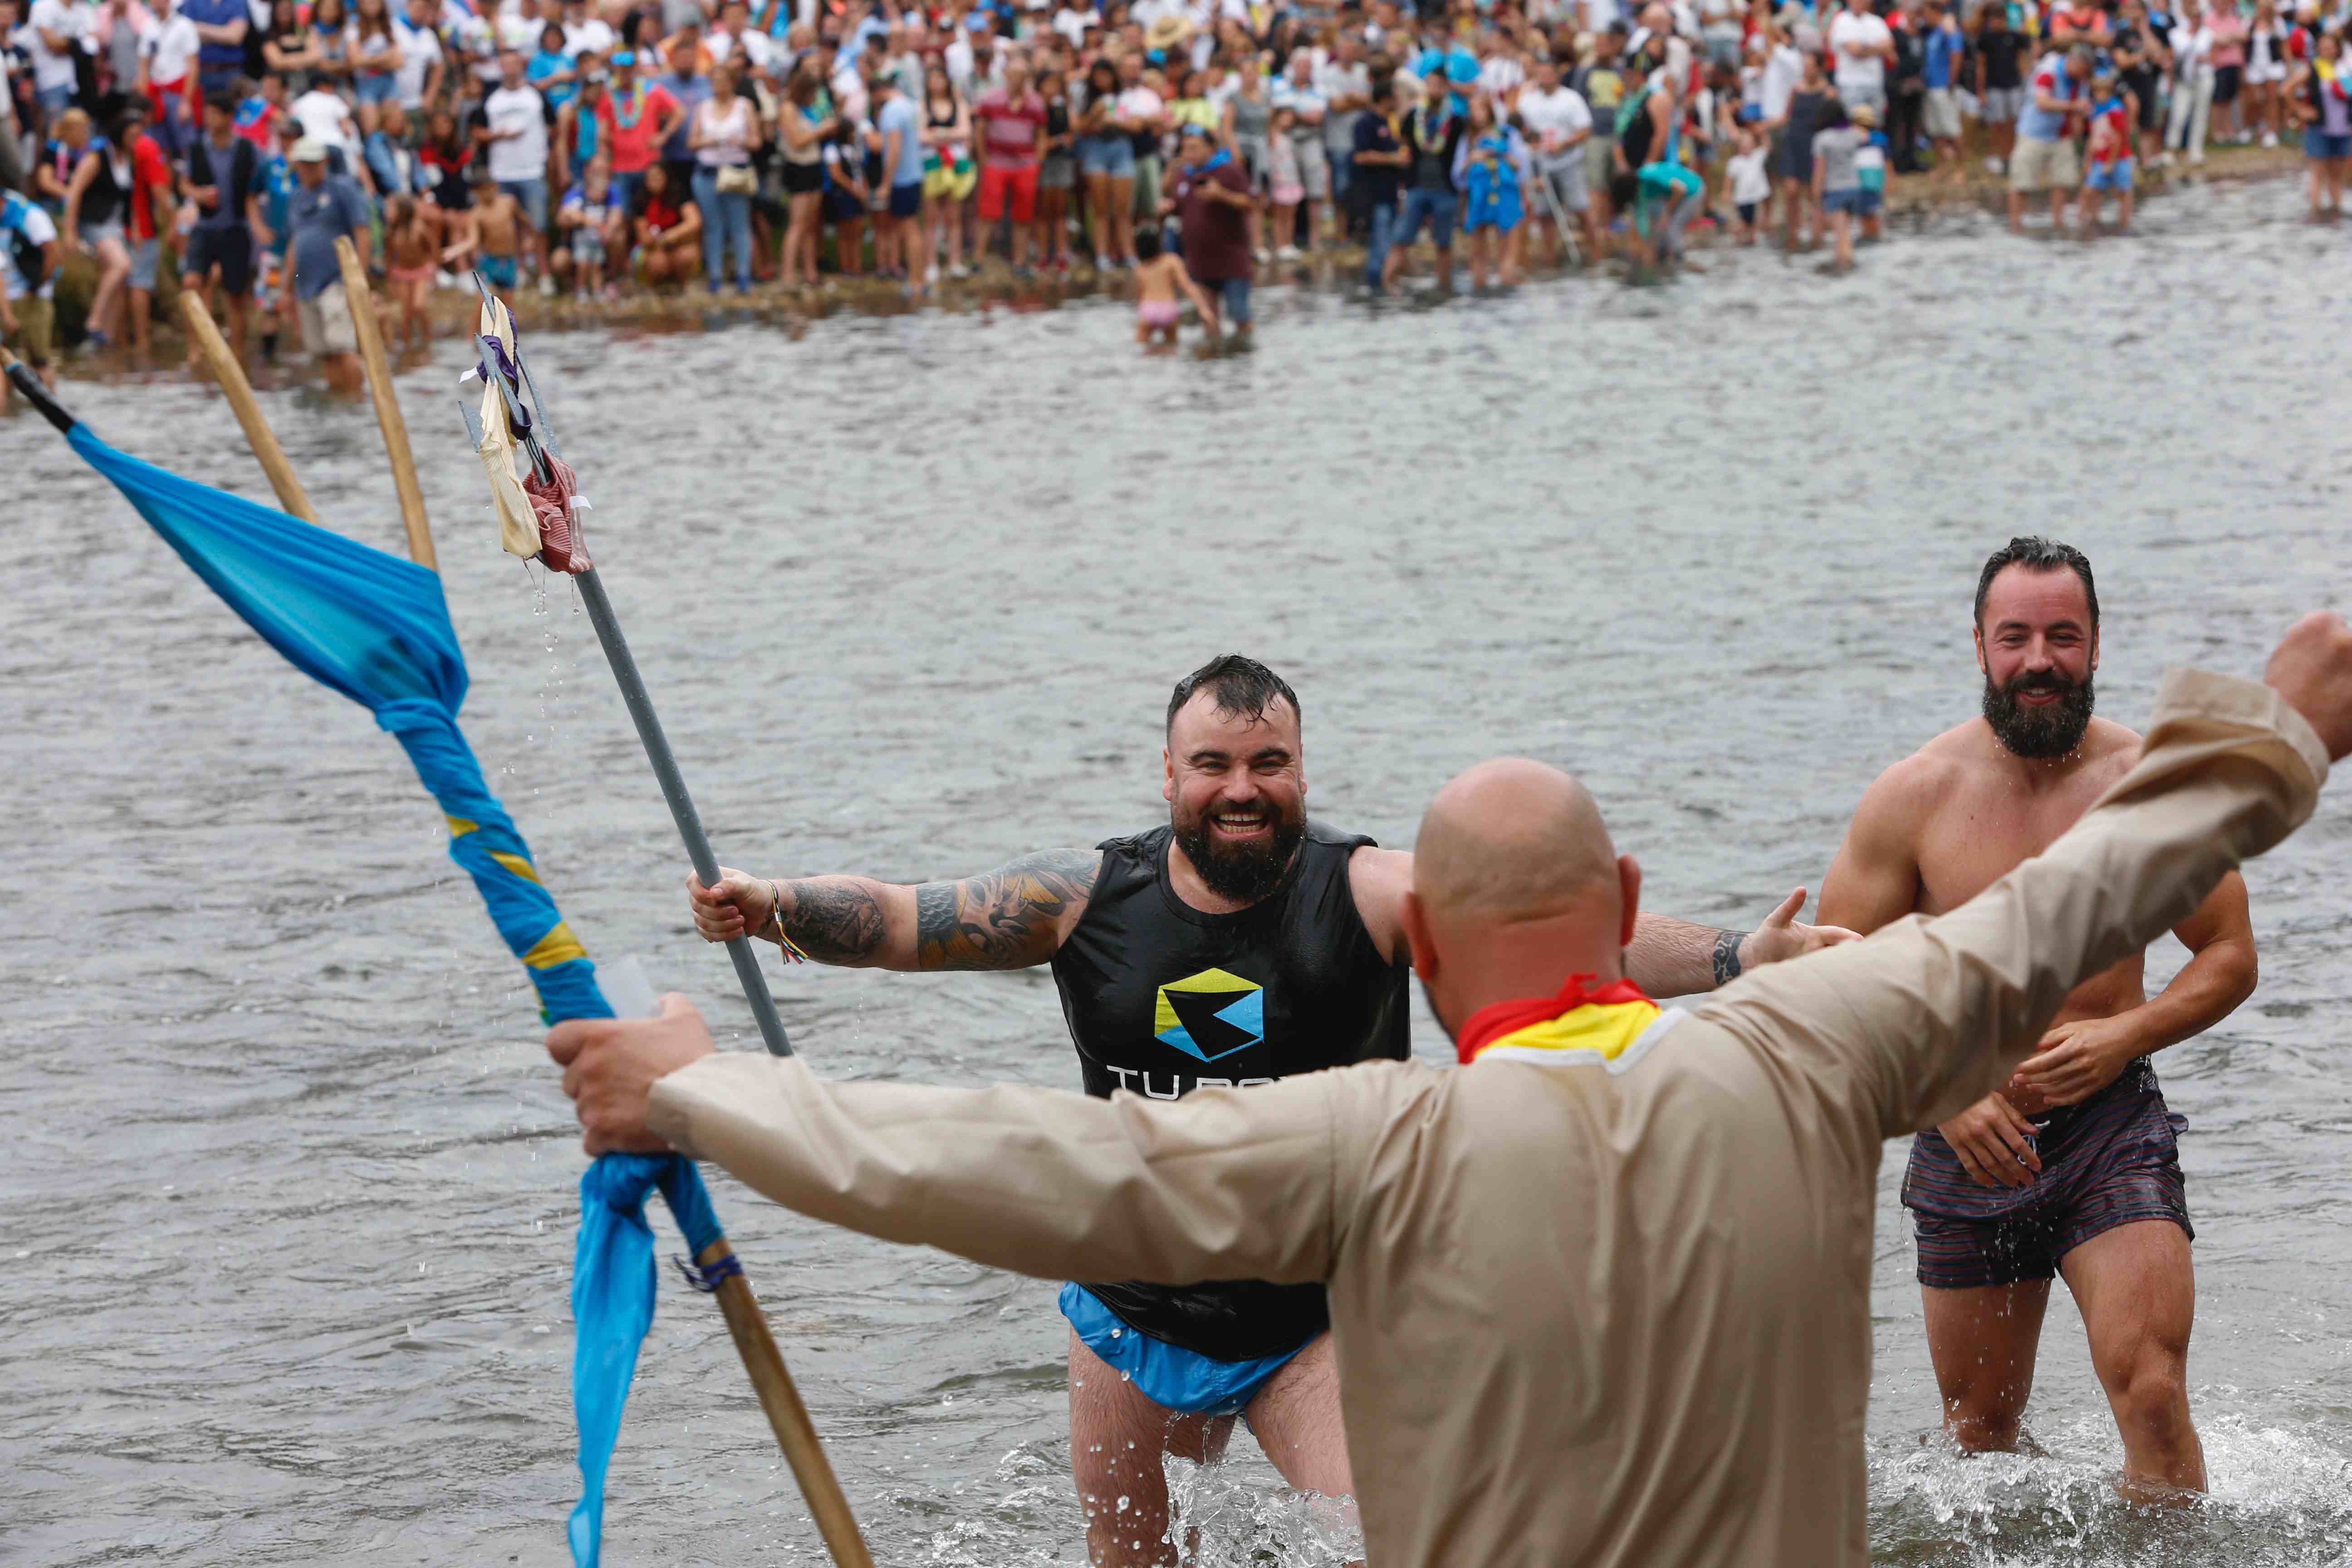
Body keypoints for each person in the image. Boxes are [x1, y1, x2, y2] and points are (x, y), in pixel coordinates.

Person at [567, 619, 2352, 1568]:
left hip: (1260, 1296)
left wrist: (701, 1092)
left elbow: (1012, 1162)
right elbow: (2064, 909)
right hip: (1152, 1333)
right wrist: (2267, 745)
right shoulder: (1822, 1056)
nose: (1244, 786)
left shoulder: (1362, 1146)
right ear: (1635, 909)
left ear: (1421, 960)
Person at [680, 653, 1849, 1568]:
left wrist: (1747, 952)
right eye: (1214, 764)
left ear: (1300, 769)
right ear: (1170, 773)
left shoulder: (1370, 891)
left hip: (1320, 1316)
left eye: (1268, 763)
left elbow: (1552, 929)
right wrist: (773, 901)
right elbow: (896, 918)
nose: (1242, 789)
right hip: (1134, 1316)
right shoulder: (1082, 901)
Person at [1819, 538, 2264, 1502]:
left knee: (2149, 1393)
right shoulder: (1915, 797)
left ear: (2096, 646)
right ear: (1979, 645)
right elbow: (1826, 981)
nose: (2038, 660)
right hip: (1965, 1145)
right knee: (1979, 1440)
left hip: (2110, 1130)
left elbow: (2230, 954)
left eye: (2063, 636)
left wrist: (2127, 1031)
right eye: (2014, 636)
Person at [180, 88, 260, 366]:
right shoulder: (197, 148)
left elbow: (256, 189)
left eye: (214, 114)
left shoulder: (248, 149)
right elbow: (184, 182)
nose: (208, 119)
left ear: (228, 118)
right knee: (191, 283)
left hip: (236, 227)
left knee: (235, 295)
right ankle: (195, 349)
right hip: (205, 225)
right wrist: (199, 195)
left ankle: (236, 354)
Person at [284, 134, 367, 392]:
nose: (308, 168)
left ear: (324, 162)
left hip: (336, 281)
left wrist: (358, 279)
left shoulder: (342, 189)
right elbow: (295, 242)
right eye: (304, 163)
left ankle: (356, 399)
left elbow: (362, 232)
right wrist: (286, 288)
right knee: (324, 352)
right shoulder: (297, 196)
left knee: (342, 346)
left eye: (313, 163)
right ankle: (340, 399)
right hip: (307, 286)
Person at [1164, 121, 1252, 337]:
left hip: (1232, 261)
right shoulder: (1183, 175)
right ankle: (1212, 362)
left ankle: (1244, 359)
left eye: (1194, 148)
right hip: (1199, 262)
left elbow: (1250, 204)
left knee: (1240, 318)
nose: (1188, 154)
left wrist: (1221, 194)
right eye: (1185, 149)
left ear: (1210, 148)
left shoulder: (1229, 170)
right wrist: (1167, 207)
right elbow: (1179, 208)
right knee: (1209, 320)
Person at [1517, 49, 1597, 262]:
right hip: (1541, 163)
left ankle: (1597, 254)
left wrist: (1564, 144)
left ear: (1556, 74)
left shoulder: (1571, 99)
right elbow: (1521, 128)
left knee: (1581, 207)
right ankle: (1549, 257)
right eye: (1540, 73)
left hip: (1569, 161)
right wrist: (1531, 139)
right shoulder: (1528, 100)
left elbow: (1585, 129)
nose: (1544, 78)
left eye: (1548, 73)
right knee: (1544, 214)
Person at [482, 49, 551, 290]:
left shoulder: (535, 95)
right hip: (502, 172)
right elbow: (476, 130)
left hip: (532, 170)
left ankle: (544, 274)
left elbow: (552, 127)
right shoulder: (491, 98)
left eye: (514, 64)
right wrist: (496, 135)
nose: (510, 69)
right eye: (505, 64)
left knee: (538, 225)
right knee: (510, 229)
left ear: (521, 66)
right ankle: (519, 271)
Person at [687, 57, 758, 291]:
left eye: (723, 80)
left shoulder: (744, 106)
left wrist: (742, 141)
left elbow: (757, 141)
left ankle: (743, 276)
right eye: (715, 80)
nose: (719, 84)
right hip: (708, 171)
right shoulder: (704, 108)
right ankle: (715, 277)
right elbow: (692, 141)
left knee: (739, 225)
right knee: (713, 226)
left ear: (732, 82)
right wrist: (708, 141)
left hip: (735, 170)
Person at [973, 50, 1044, 274]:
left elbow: (1042, 135)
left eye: (1022, 74)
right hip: (997, 161)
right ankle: (978, 260)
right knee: (988, 213)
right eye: (1014, 73)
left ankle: (1019, 262)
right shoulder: (991, 99)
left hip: (1025, 163)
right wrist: (984, 161)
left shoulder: (1035, 103)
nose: (1018, 78)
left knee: (1023, 216)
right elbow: (980, 131)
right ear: (1005, 74)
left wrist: (1036, 163)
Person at [2009, 42, 2091, 234]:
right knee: (2022, 182)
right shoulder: (2049, 71)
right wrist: (2074, 107)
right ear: (2074, 61)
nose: (2083, 73)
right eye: (2082, 68)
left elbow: (2080, 109)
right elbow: (2042, 102)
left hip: (2061, 134)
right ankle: (2015, 225)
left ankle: (2058, 224)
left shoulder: (2080, 80)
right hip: (2034, 132)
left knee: (2062, 182)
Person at [1390, 79, 1463, 289]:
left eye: (1438, 86)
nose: (1434, 90)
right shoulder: (1414, 117)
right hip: (1416, 187)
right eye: (1431, 85)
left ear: (1446, 89)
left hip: (1445, 189)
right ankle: (1387, 285)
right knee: (1401, 239)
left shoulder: (1456, 121)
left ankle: (1444, 287)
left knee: (1444, 243)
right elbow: (1403, 143)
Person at [596, 49, 682, 215]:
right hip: (619, 166)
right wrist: (603, 157)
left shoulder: (651, 90)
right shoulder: (608, 95)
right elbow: (602, 132)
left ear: (636, 68)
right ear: (615, 70)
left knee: (649, 210)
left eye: (629, 67)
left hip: (648, 164)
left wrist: (663, 136)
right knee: (622, 213)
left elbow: (679, 112)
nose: (625, 72)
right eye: (621, 68)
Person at [1, 182, 62, 399]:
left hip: (34, 296)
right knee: (3, 363)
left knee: (40, 360)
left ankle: (51, 410)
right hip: (5, 298)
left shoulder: (30, 215)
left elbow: (54, 254)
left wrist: (34, 287)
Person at [1075, 57, 1135, 268]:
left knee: (1122, 208)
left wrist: (1118, 121)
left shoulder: (1126, 96)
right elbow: (1079, 128)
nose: (1102, 80)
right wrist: (1095, 115)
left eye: (1106, 75)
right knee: (1100, 208)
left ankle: (1127, 254)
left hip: (1121, 148)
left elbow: (1138, 124)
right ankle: (1102, 255)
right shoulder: (1086, 97)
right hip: (1095, 149)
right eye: (1098, 76)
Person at [1459, 106, 1524, 289]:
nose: (1477, 114)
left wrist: (1500, 155)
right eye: (1474, 110)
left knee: (1507, 247)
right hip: (1479, 193)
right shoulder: (1468, 138)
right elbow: (1458, 173)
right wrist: (1472, 159)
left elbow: (1522, 166)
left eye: (1481, 109)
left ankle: (1507, 284)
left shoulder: (1507, 134)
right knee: (1477, 249)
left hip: (1504, 192)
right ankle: (1479, 286)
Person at [1352, 76, 1407, 290]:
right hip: (1374, 194)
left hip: (1392, 192)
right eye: (1395, 97)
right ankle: (1376, 289)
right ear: (1385, 98)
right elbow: (1360, 156)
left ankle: (1387, 286)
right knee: (1380, 245)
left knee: (1392, 243)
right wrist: (1393, 158)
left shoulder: (1391, 122)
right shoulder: (1365, 122)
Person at [1774, 41, 1829, 249]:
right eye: (1804, 65)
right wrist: (1765, 126)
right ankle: (1793, 233)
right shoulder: (1796, 89)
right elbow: (1785, 117)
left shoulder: (1828, 92)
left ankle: (1817, 236)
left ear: (1819, 67)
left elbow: (1836, 121)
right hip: (1793, 142)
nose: (1806, 69)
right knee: (1790, 190)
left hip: (1814, 145)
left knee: (1813, 193)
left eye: (1810, 65)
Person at [2292, 27, 2350, 217]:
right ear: (2318, 50)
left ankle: (2336, 209)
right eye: (2323, 48)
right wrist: (2301, 110)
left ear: (2337, 49)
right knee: (2318, 173)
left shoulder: (2345, 69)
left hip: (2343, 128)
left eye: (2330, 48)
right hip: (2320, 128)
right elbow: (2285, 90)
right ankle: (2315, 211)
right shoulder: (2312, 69)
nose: (2327, 51)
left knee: (2337, 175)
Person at [1129, 220, 1209, 347]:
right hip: (1168, 308)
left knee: (1141, 346)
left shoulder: (1139, 268)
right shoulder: (1172, 261)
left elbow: (1139, 295)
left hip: (1148, 309)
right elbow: (1188, 286)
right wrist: (1203, 308)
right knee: (1172, 347)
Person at [1813, 95, 1867, 270]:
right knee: (1845, 232)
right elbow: (1866, 136)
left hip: (1835, 190)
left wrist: (1816, 196)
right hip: (1854, 188)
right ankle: (1845, 261)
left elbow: (1819, 171)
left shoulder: (1822, 139)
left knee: (1841, 234)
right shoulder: (1853, 134)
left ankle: (1845, 266)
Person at [1975, 0, 2029, 172]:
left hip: (2013, 85)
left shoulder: (2015, 37)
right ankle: (1995, 155)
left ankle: (2010, 156)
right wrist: (1981, 91)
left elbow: (2021, 61)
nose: (1997, 23)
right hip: (1994, 86)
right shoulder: (1986, 38)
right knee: (1996, 123)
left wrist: (2024, 82)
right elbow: (1981, 65)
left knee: (2012, 123)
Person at [630, 157, 700, 285]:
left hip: (677, 243)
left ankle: (681, 286)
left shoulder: (679, 194)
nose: (653, 181)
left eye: (657, 177)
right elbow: (643, 236)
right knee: (658, 263)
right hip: (653, 248)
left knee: (686, 255)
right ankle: (656, 288)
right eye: (650, 178)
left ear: (666, 177)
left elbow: (695, 221)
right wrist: (656, 241)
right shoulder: (641, 199)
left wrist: (672, 235)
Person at [2081, 70, 2136, 232]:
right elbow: (2093, 137)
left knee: (2124, 190)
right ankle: (2088, 219)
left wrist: (2111, 162)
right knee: (2090, 190)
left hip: (2119, 158)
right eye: (2097, 91)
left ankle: (2125, 221)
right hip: (2100, 157)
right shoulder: (2095, 109)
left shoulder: (2115, 110)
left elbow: (2119, 138)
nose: (2100, 95)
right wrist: (2088, 159)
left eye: (2103, 91)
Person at [552, 158, 615, 299]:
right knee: (583, 266)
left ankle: (598, 291)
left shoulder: (608, 198)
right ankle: (580, 290)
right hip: (581, 243)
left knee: (596, 267)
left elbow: (616, 217)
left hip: (597, 243)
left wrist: (606, 230)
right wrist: (589, 222)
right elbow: (566, 213)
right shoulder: (579, 197)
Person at [381, 191, 434, 346]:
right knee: (406, 313)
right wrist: (390, 279)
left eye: (391, 208)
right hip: (402, 273)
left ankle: (427, 340)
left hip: (420, 272)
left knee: (419, 306)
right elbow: (389, 257)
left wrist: (433, 270)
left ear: (403, 211)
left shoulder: (420, 229)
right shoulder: (391, 232)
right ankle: (407, 346)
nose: (387, 211)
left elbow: (431, 249)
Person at [1920, 0, 1964, 182]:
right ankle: (1942, 167)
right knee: (1935, 130)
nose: (1925, 18)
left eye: (1927, 14)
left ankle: (1961, 169)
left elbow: (1956, 56)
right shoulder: (1933, 33)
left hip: (1943, 86)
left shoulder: (1950, 31)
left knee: (1952, 129)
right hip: (1930, 86)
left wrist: (1951, 82)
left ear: (1935, 12)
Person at [1828, 0, 1894, 116]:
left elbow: (1889, 46)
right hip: (1850, 84)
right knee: (1854, 126)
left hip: (1875, 83)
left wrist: (1863, 48)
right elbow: (1854, 51)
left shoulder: (1877, 21)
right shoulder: (1841, 20)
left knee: (1875, 125)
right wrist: (1876, 48)